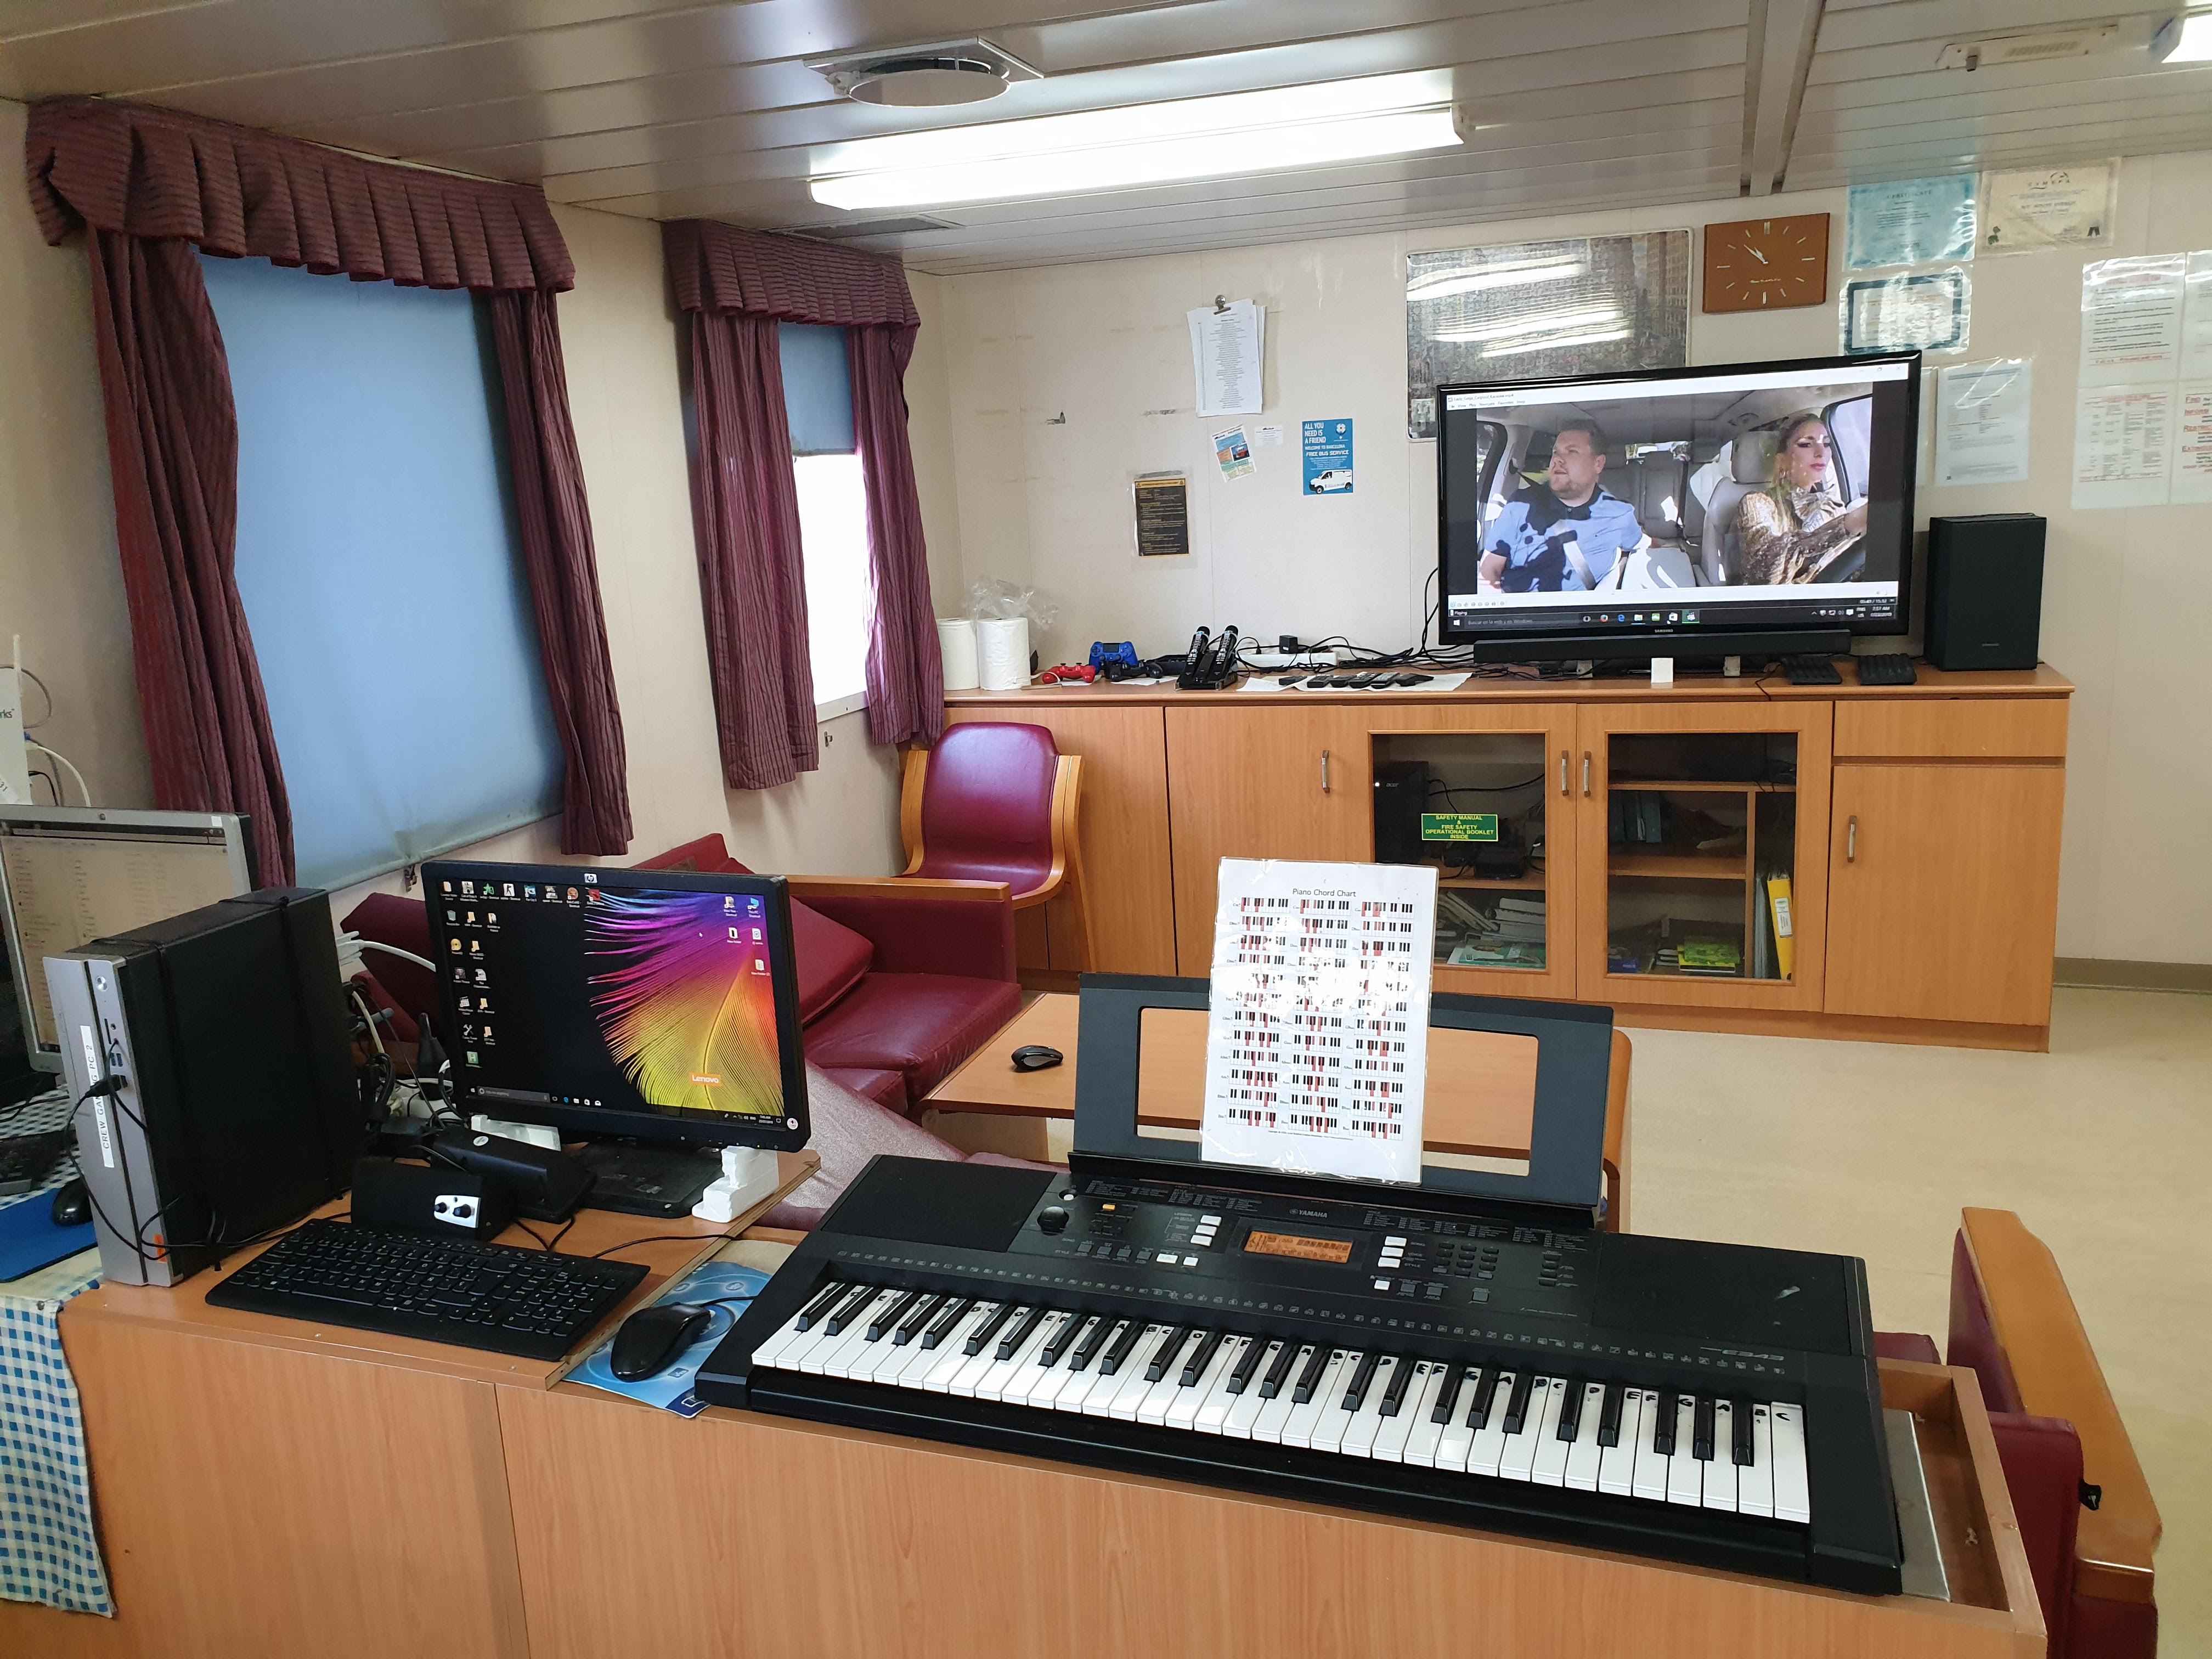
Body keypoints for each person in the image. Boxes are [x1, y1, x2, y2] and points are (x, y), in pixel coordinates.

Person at [1477, 419, 1649, 592]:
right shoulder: (1521, 504)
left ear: (1598, 464)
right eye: (1555, 452)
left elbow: (1644, 544)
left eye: (1571, 452)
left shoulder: (1619, 514)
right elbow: (1489, 570)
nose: (1557, 459)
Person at [1736, 411, 1868, 585]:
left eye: (1827, 444)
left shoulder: (1832, 506)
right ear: (1782, 459)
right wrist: (1846, 526)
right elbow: (1762, 570)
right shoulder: (1758, 503)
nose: (1821, 453)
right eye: (1806, 444)